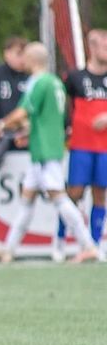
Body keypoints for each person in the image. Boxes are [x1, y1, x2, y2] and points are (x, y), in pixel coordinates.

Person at [0, 42, 99, 264]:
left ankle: (88, 246)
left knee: (60, 198)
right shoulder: (55, 82)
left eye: (25, 57)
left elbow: (21, 113)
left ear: (32, 60)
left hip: (46, 151)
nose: (22, 62)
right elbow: (48, 118)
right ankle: (9, 250)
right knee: (27, 198)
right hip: (45, 147)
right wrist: (30, 132)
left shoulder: (38, 83)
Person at [53, 29, 107, 260]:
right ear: (92, 48)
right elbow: (60, 105)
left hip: (104, 147)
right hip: (81, 145)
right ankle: (60, 240)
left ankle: (93, 245)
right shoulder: (75, 78)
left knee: (99, 193)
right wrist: (65, 126)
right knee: (74, 192)